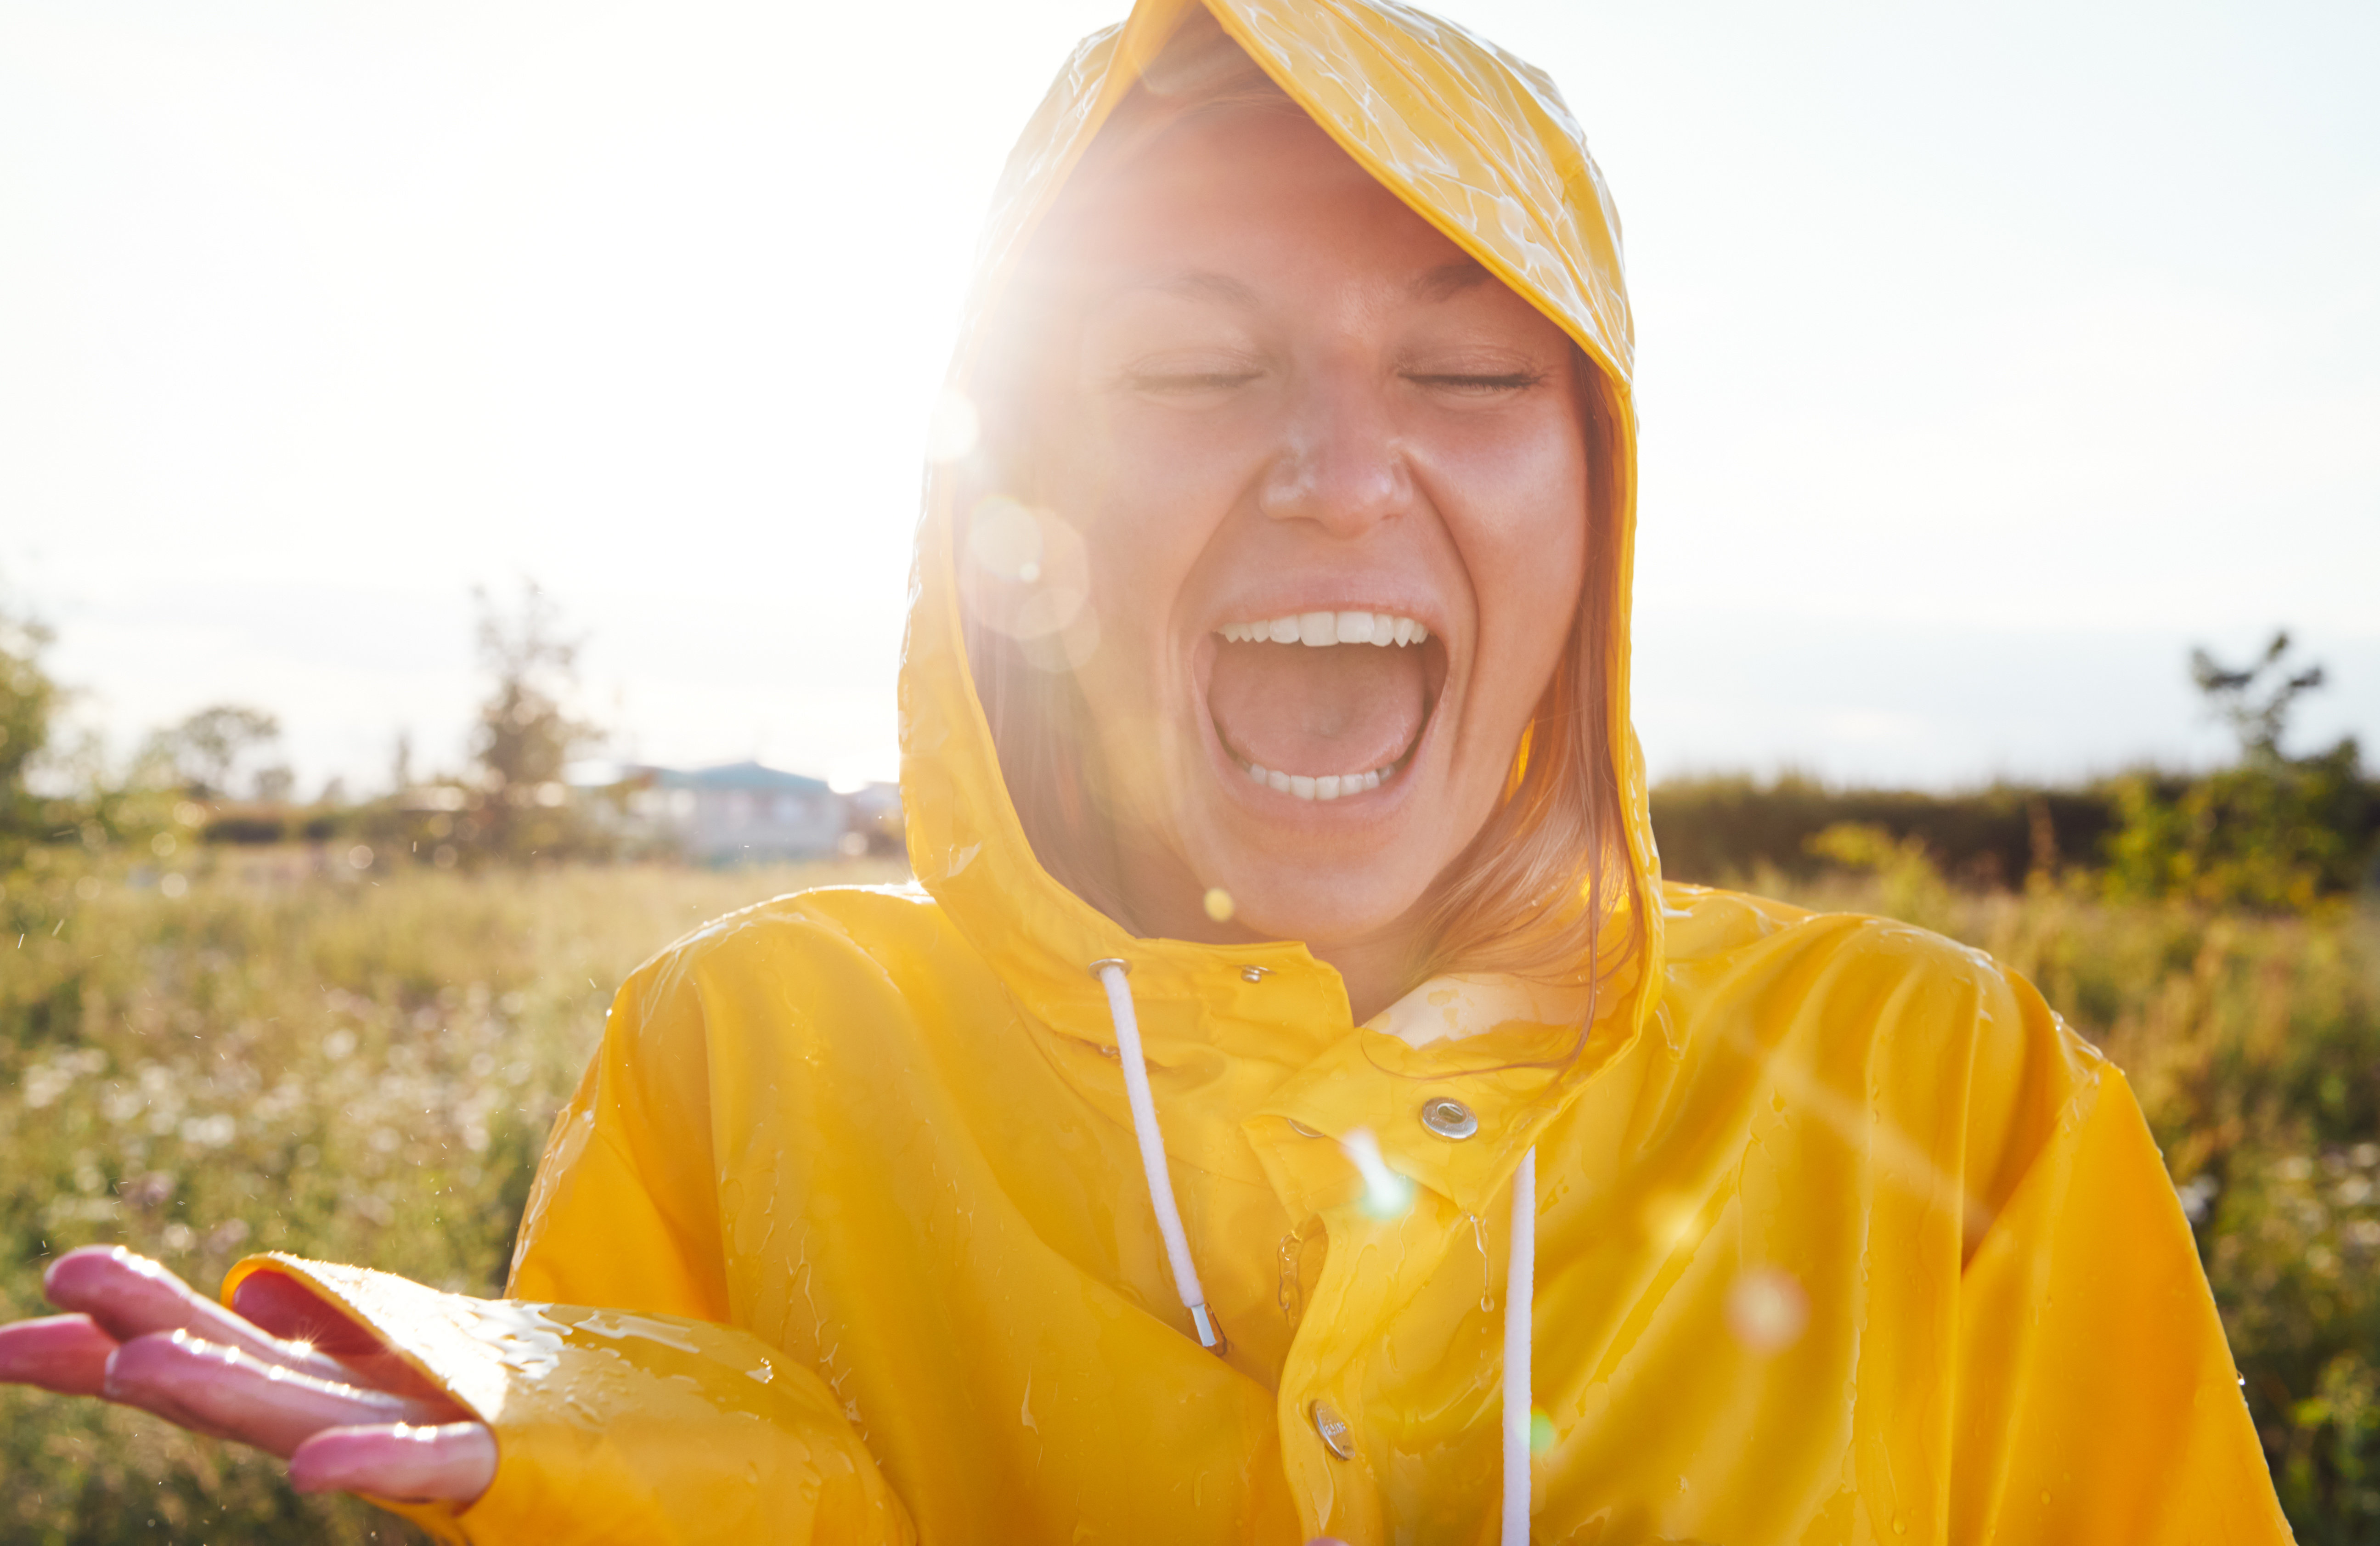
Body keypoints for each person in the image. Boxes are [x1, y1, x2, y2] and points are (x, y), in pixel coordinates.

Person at [0, 1, 2295, 1541]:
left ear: (1600, 506)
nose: (1334, 465)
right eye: (1191, 367)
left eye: (1475, 370)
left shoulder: (1946, 1090)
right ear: (1015, 538)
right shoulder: (756, 1052)